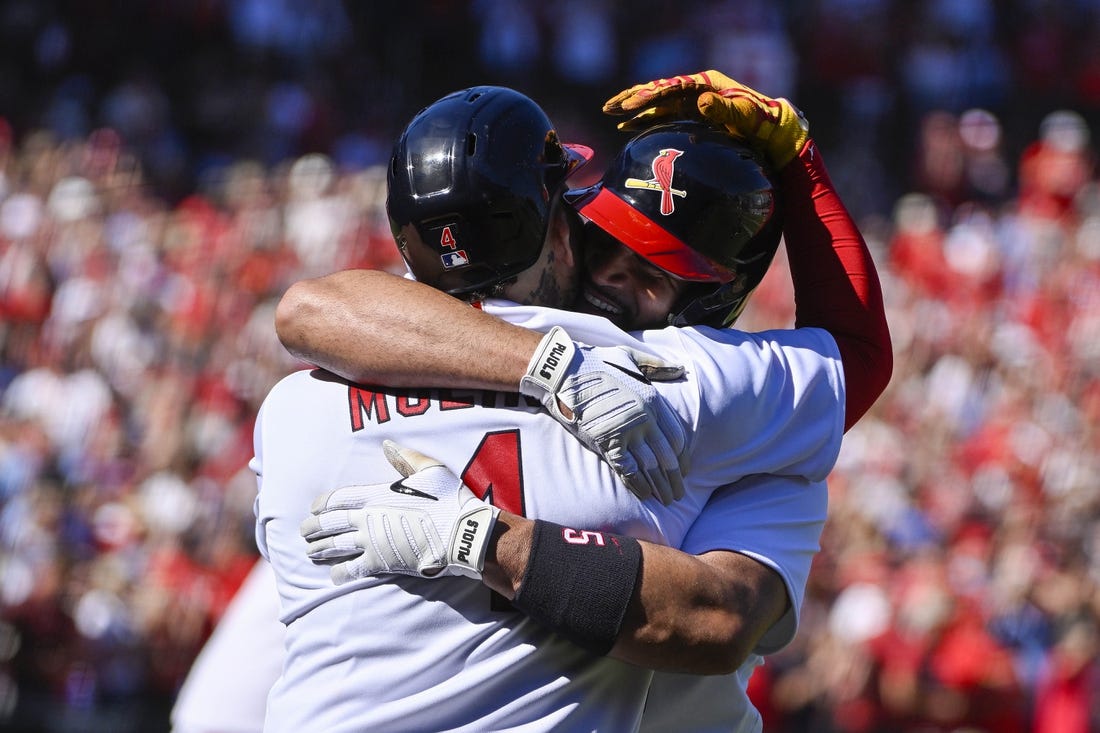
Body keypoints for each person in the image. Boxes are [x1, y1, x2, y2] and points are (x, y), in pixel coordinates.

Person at [174, 72, 889, 732]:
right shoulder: (682, 382)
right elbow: (856, 355)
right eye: (610, 240)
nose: (614, 277)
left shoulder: (298, 405)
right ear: (562, 221)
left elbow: (308, 309)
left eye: (652, 273)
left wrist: (483, 538)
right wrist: (798, 158)